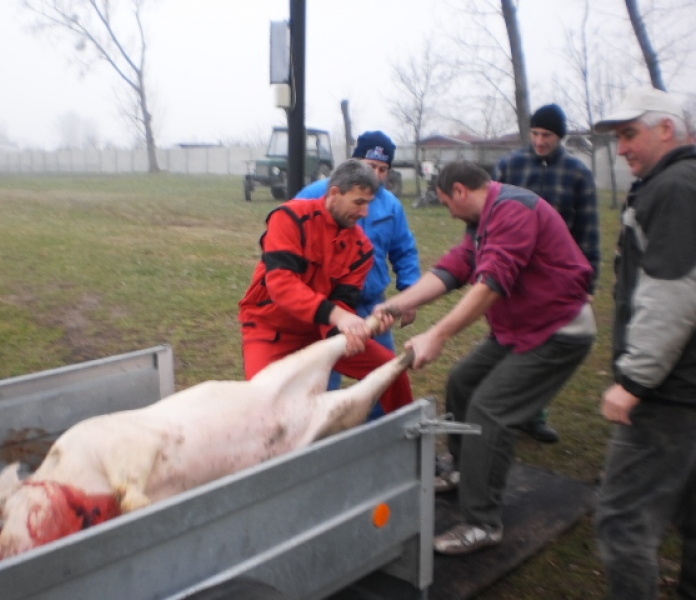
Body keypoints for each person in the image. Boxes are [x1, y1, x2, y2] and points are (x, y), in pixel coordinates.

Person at [374, 160, 595, 555]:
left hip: (558, 332)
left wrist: (438, 334)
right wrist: (397, 304)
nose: (448, 211)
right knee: (462, 382)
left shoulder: (514, 210)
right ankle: (463, 468)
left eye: (445, 203)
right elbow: (455, 268)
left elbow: (492, 281)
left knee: (491, 410)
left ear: (460, 190)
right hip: (521, 329)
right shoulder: (484, 217)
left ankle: (481, 523)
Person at [592, 87, 696, 600]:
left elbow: (673, 293)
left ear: (667, 129)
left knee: (622, 521)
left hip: (671, 391)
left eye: (629, 134)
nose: (622, 149)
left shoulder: (674, 187)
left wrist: (634, 381)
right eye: (617, 138)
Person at [239, 158, 413, 414]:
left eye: (369, 204)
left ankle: (406, 437)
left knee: (391, 370)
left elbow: (342, 303)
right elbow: (281, 284)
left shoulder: (362, 249)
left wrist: (355, 332)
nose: (365, 212)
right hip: (270, 329)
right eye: (358, 202)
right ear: (334, 193)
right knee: (263, 406)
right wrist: (339, 316)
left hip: (316, 332)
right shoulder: (289, 217)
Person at [493, 103, 601, 444]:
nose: (540, 141)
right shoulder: (510, 166)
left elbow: (588, 230)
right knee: (503, 341)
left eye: (547, 136)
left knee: (543, 346)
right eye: (536, 133)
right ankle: (500, 406)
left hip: (555, 278)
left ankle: (534, 413)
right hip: (510, 272)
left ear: (560, 137)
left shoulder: (577, 174)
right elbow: (488, 216)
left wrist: (590, 281)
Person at [295, 130, 421, 418]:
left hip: (372, 307)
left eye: (383, 169)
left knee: (385, 373)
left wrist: (410, 292)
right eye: (369, 166)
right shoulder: (316, 194)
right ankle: (318, 438)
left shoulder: (390, 205)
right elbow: (289, 245)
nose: (375, 175)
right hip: (326, 308)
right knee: (322, 376)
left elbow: (404, 250)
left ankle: (382, 434)